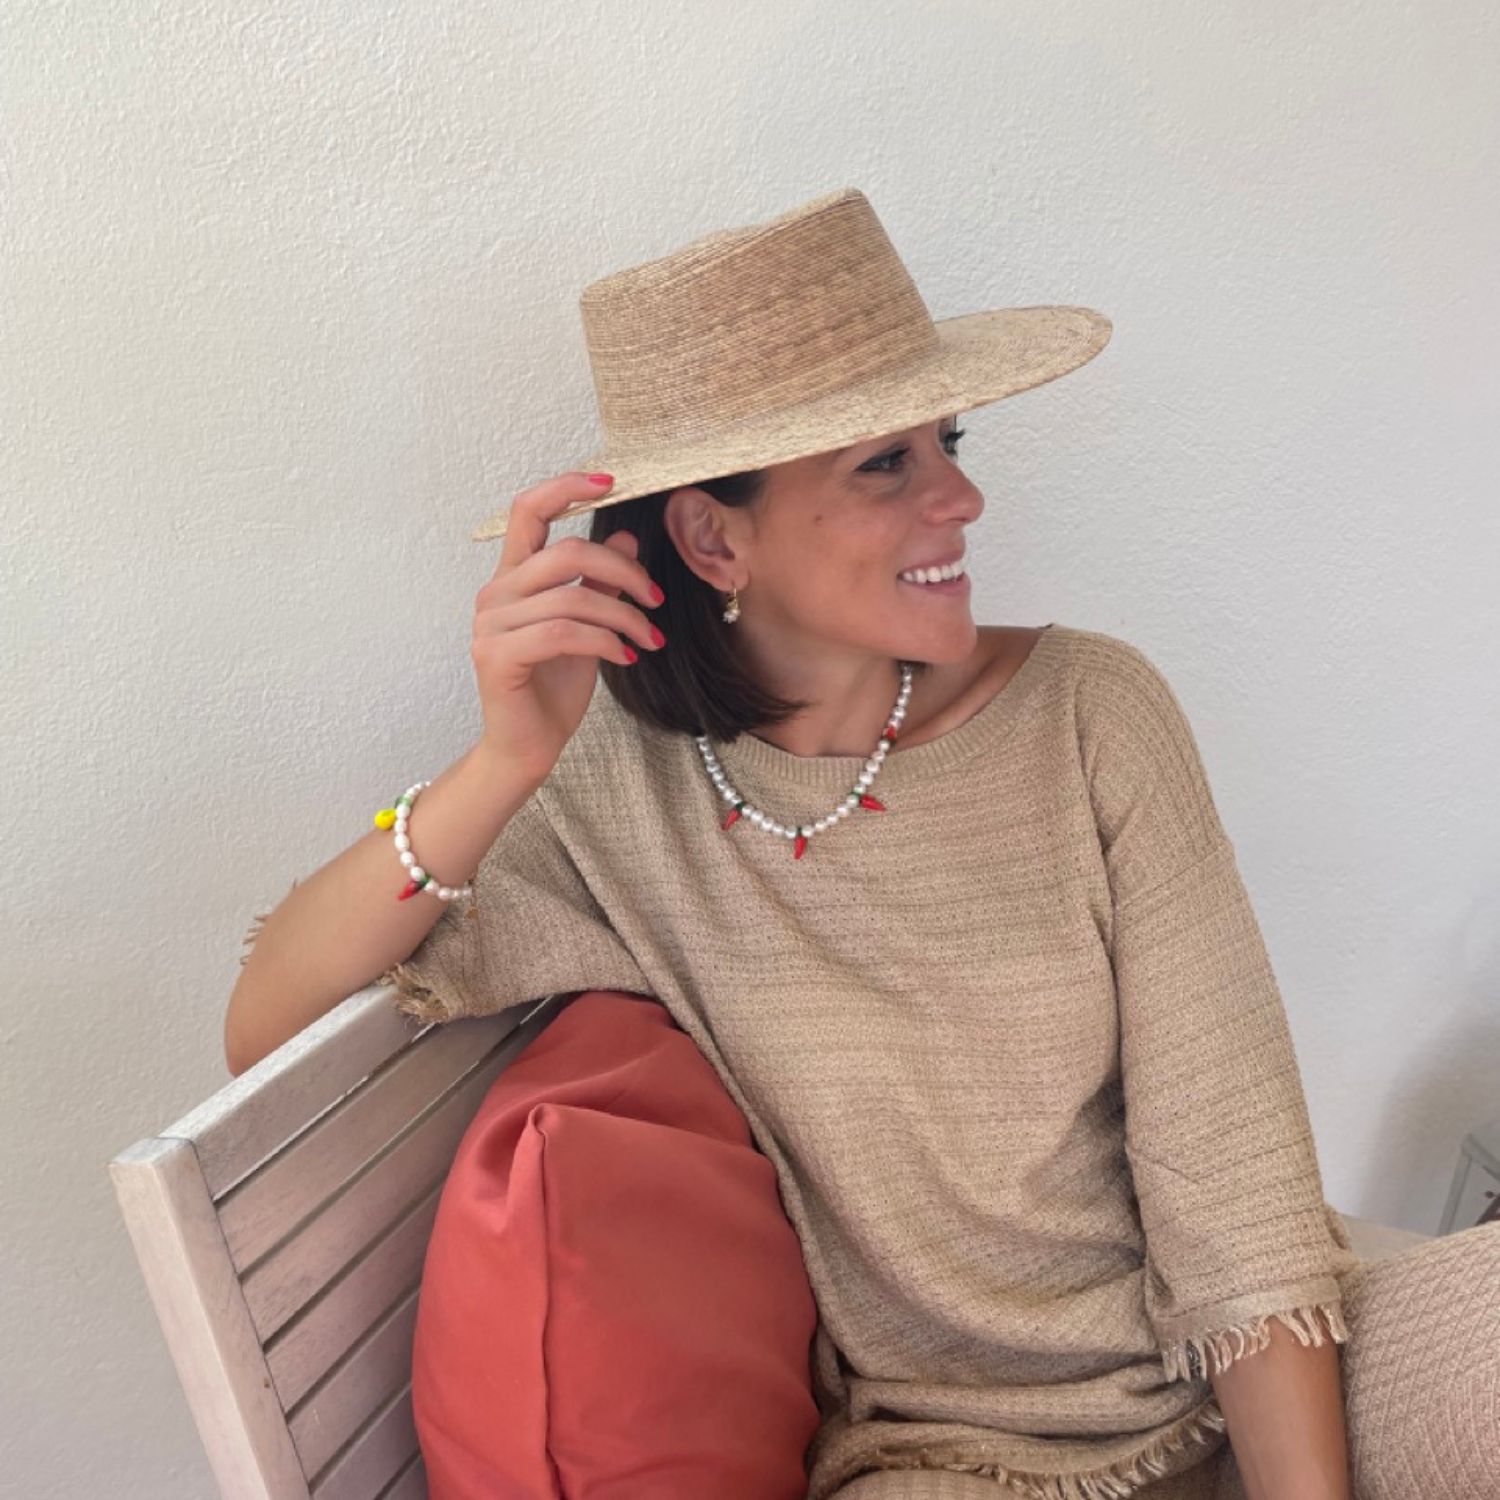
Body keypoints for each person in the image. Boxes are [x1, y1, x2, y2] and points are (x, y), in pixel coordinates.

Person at [226, 189, 1499, 1500]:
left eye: (946, 440)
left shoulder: (1093, 710)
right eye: (886, 464)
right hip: (955, 1454)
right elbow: (268, 1027)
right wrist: (503, 762)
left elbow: (1233, 1175)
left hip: (1260, 1363)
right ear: (714, 537)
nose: (965, 496)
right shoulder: (617, 802)